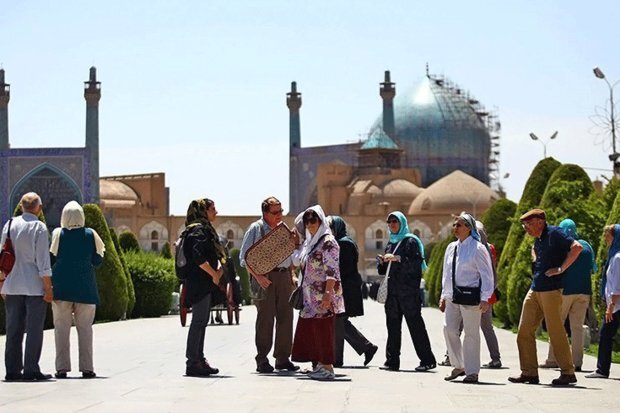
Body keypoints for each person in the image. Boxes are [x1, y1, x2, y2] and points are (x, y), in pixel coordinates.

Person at [508, 208, 582, 386]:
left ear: (540, 222)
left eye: (529, 224)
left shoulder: (555, 233)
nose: (526, 228)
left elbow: (576, 247)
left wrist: (561, 269)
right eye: (525, 225)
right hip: (535, 289)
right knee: (524, 331)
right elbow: (535, 250)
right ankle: (529, 373)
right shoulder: (538, 240)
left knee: (555, 331)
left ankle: (568, 372)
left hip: (551, 290)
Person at [239, 196, 299, 373]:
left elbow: (288, 257)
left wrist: (291, 275)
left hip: (283, 278)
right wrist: (258, 277)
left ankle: (282, 358)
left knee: (286, 317)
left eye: (281, 211)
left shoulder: (282, 230)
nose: (280, 215)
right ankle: (262, 359)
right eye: (275, 212)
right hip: (264, 278)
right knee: (265, 319)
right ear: (265, 213)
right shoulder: (256, 229)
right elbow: (244, 258)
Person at [0, 192, 53, 381]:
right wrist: (48, 288)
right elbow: (43, 262)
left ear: (22, 206)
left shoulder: (10, 224)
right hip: (34, 286)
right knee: (34, 329)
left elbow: (2, 256)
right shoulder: (39, 227)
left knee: (13, 329)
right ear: (39, 208)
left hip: (12, 285)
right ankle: (31, 369)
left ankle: (12, 371)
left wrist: (1, 285)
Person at [49, 201, 105, 379]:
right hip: (85, 290)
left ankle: (62, 368)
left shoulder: (58, 234)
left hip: (61, 290)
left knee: (61, 329)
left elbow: (51, 259)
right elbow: (98, 261)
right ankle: (87, 368)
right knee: (85, 330)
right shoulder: (90, 234)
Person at [377, 211, 436, 372]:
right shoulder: (391, 242)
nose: (392, 224)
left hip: (408, 294)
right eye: (389, 222)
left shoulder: (410, 241)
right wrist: (382, 262)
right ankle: (392, 361)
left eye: (395, 221)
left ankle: (427, 360)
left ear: (402, 223)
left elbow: (416, 265)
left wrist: (398, 258)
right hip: (393, 294)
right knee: (393, 328)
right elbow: (384, 271)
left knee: (416, 327)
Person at [291, 206, 345, 380]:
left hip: (323, 295)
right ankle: (319, 364)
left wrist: (328, 295)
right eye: (307, 222)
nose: (310, 225)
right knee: (313, 330)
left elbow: (332, 271)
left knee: (324, 330)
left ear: (321, 221)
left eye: (313, 221)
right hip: (310, 297)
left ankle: (327, 367)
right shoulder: (312, 242)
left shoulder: (328, 242)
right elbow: (298, 259)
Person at [440, 213, 494, 383]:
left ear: (469, 228)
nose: (455, 228)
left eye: (459, 225)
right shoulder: (451, 248)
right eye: (454, 225)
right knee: (448, 329)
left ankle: (472, 371)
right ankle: (459, 365)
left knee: (471, 334)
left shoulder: (478, 248)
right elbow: (446, 274)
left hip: (471, 297)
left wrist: (486, 297)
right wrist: (444, 295)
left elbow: (487, 274)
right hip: (452, 297)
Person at [542, 218, 595, 372]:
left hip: (565, 291)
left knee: (557, 324)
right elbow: (594, 268)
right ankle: (577, 362)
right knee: (577, 327)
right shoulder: (587, 246)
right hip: (584, 292)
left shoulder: (563, 247)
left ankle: (552, 359)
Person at [182, 198, 226, 377]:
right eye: (212, 209)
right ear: (203, 211)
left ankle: (199, 360)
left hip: (202, 283)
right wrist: (214, 274)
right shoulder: (198, 231)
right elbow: (198, 257)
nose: (216, 212)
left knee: (201, 322)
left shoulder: (201, 229)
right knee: (199, 322)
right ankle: (192, 362)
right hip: (199, 283)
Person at [328, 215, 378, 367]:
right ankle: (367, 347)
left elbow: (343, 269)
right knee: (341, 322)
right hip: (344, 289)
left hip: (345, 290)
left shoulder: (344, 244)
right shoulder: (344, 242)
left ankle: (337, 359)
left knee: (338, 322)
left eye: (330, 227)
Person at [586, 224, 620, 379]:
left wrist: (611, 305)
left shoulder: (618, 258)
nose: (606, 239)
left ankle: (602, 370)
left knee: (605, 335)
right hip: (615, 304)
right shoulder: (615, 256)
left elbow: (617, 285)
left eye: (608, 236)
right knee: (607, 335)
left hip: (616, 305)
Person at [476, 221, 503, 369]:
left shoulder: (475, 249)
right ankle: (496, 358)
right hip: (488, 294)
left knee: (459, 326)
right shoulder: (490, 248)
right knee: (487, 327)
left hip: (475, 293)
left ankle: (450, 356)